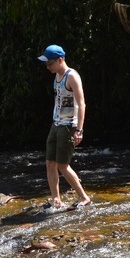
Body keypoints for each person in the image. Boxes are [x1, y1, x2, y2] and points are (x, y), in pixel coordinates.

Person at [38, 44, 92, 209]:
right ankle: (57, 200)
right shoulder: (57, 76)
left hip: (68, 126)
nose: (47, 67)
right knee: (50, 163)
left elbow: (81, 104)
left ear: (60, 60)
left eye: (50, 63)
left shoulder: (72, 76)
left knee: (62, 165)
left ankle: (84, 198)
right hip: (56, 124)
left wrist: (79, 130)